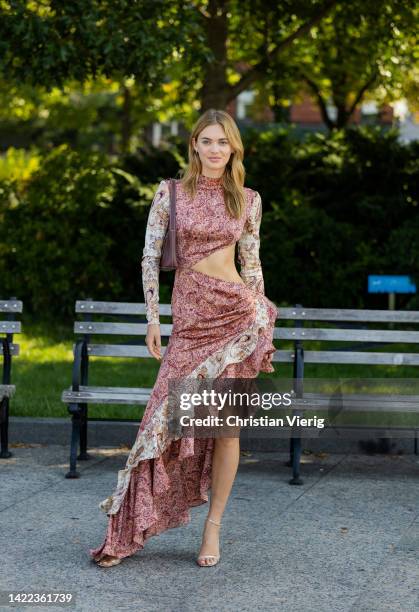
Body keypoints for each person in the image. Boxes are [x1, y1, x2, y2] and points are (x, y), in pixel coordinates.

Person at [89, 108, 278, 568]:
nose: (215, 149)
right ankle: (126, 530)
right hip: (191, 322)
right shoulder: (170, 193)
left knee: (228, 430)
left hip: (236, 319)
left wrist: (261, 321)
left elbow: (251, 264)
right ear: (194, 145)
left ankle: (213, 528)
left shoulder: (248, 199)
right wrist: (154, 319)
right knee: (163, 421)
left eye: (223, 142)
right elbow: (149, 258)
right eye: (207, 141)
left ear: (234, 148)